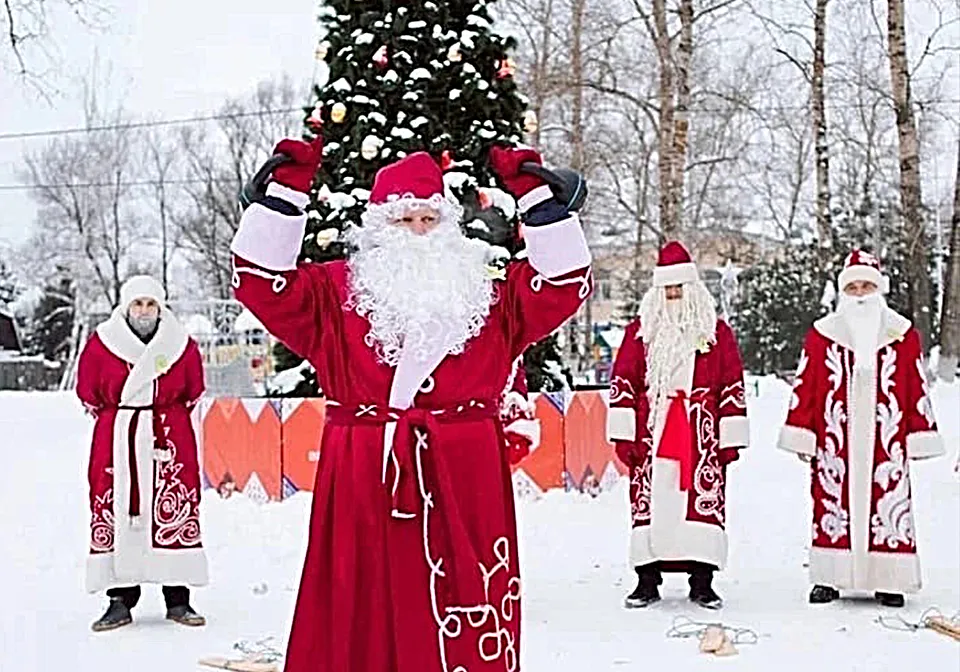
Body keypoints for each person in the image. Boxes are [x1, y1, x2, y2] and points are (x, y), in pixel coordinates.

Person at [230, 137, 592, 672]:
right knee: (365, 604)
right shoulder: (334, 293)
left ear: (449, 225)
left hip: (465, 476)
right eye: (405, 221)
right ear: (379, 230)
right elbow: (261, 286)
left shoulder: (488, 293)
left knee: (464, 606)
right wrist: (283, 199)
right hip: (367, 473)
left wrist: (539, 201)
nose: (421, 232)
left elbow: (563, 284)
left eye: (430, 219)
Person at [778, 249, 945, 608]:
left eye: (866, 286)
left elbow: (914, 384)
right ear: (842, 292)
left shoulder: (902, 335)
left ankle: (889, 578)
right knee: (830, 505)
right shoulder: (823, 334)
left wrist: (919, 431)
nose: (859, 294)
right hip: (835, 438)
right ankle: (829, 577)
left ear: (879, 290)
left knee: (888, 504)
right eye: (852, 287)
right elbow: (806, 384)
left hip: (887, 438)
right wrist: (801, 431)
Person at [606, 241, 748, 610]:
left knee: (701, 506)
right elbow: (623, 380)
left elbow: (732, 383)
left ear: (692, 290)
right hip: (651, 431)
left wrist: (729, 436)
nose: (672, 295)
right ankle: (646, 580)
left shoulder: (716, 333)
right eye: (666, 289)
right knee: (647, 507)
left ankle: (702, 581)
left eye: (679, 288)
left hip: (700, 436)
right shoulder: (641, 333)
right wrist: (625, 433)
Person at [76, 275, 208, 631]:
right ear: (126, 307)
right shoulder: (102, 343)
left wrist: (162, 415)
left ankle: (178, 600)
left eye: (151, 304)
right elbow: (87, 392)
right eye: (138, 304)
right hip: (117, 436)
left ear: (161, 307)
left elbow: (194, 390)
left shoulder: (182, 345)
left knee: (172, 507)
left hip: (169, 434)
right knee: (116, 506)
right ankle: (119, 600)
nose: (144, 311)